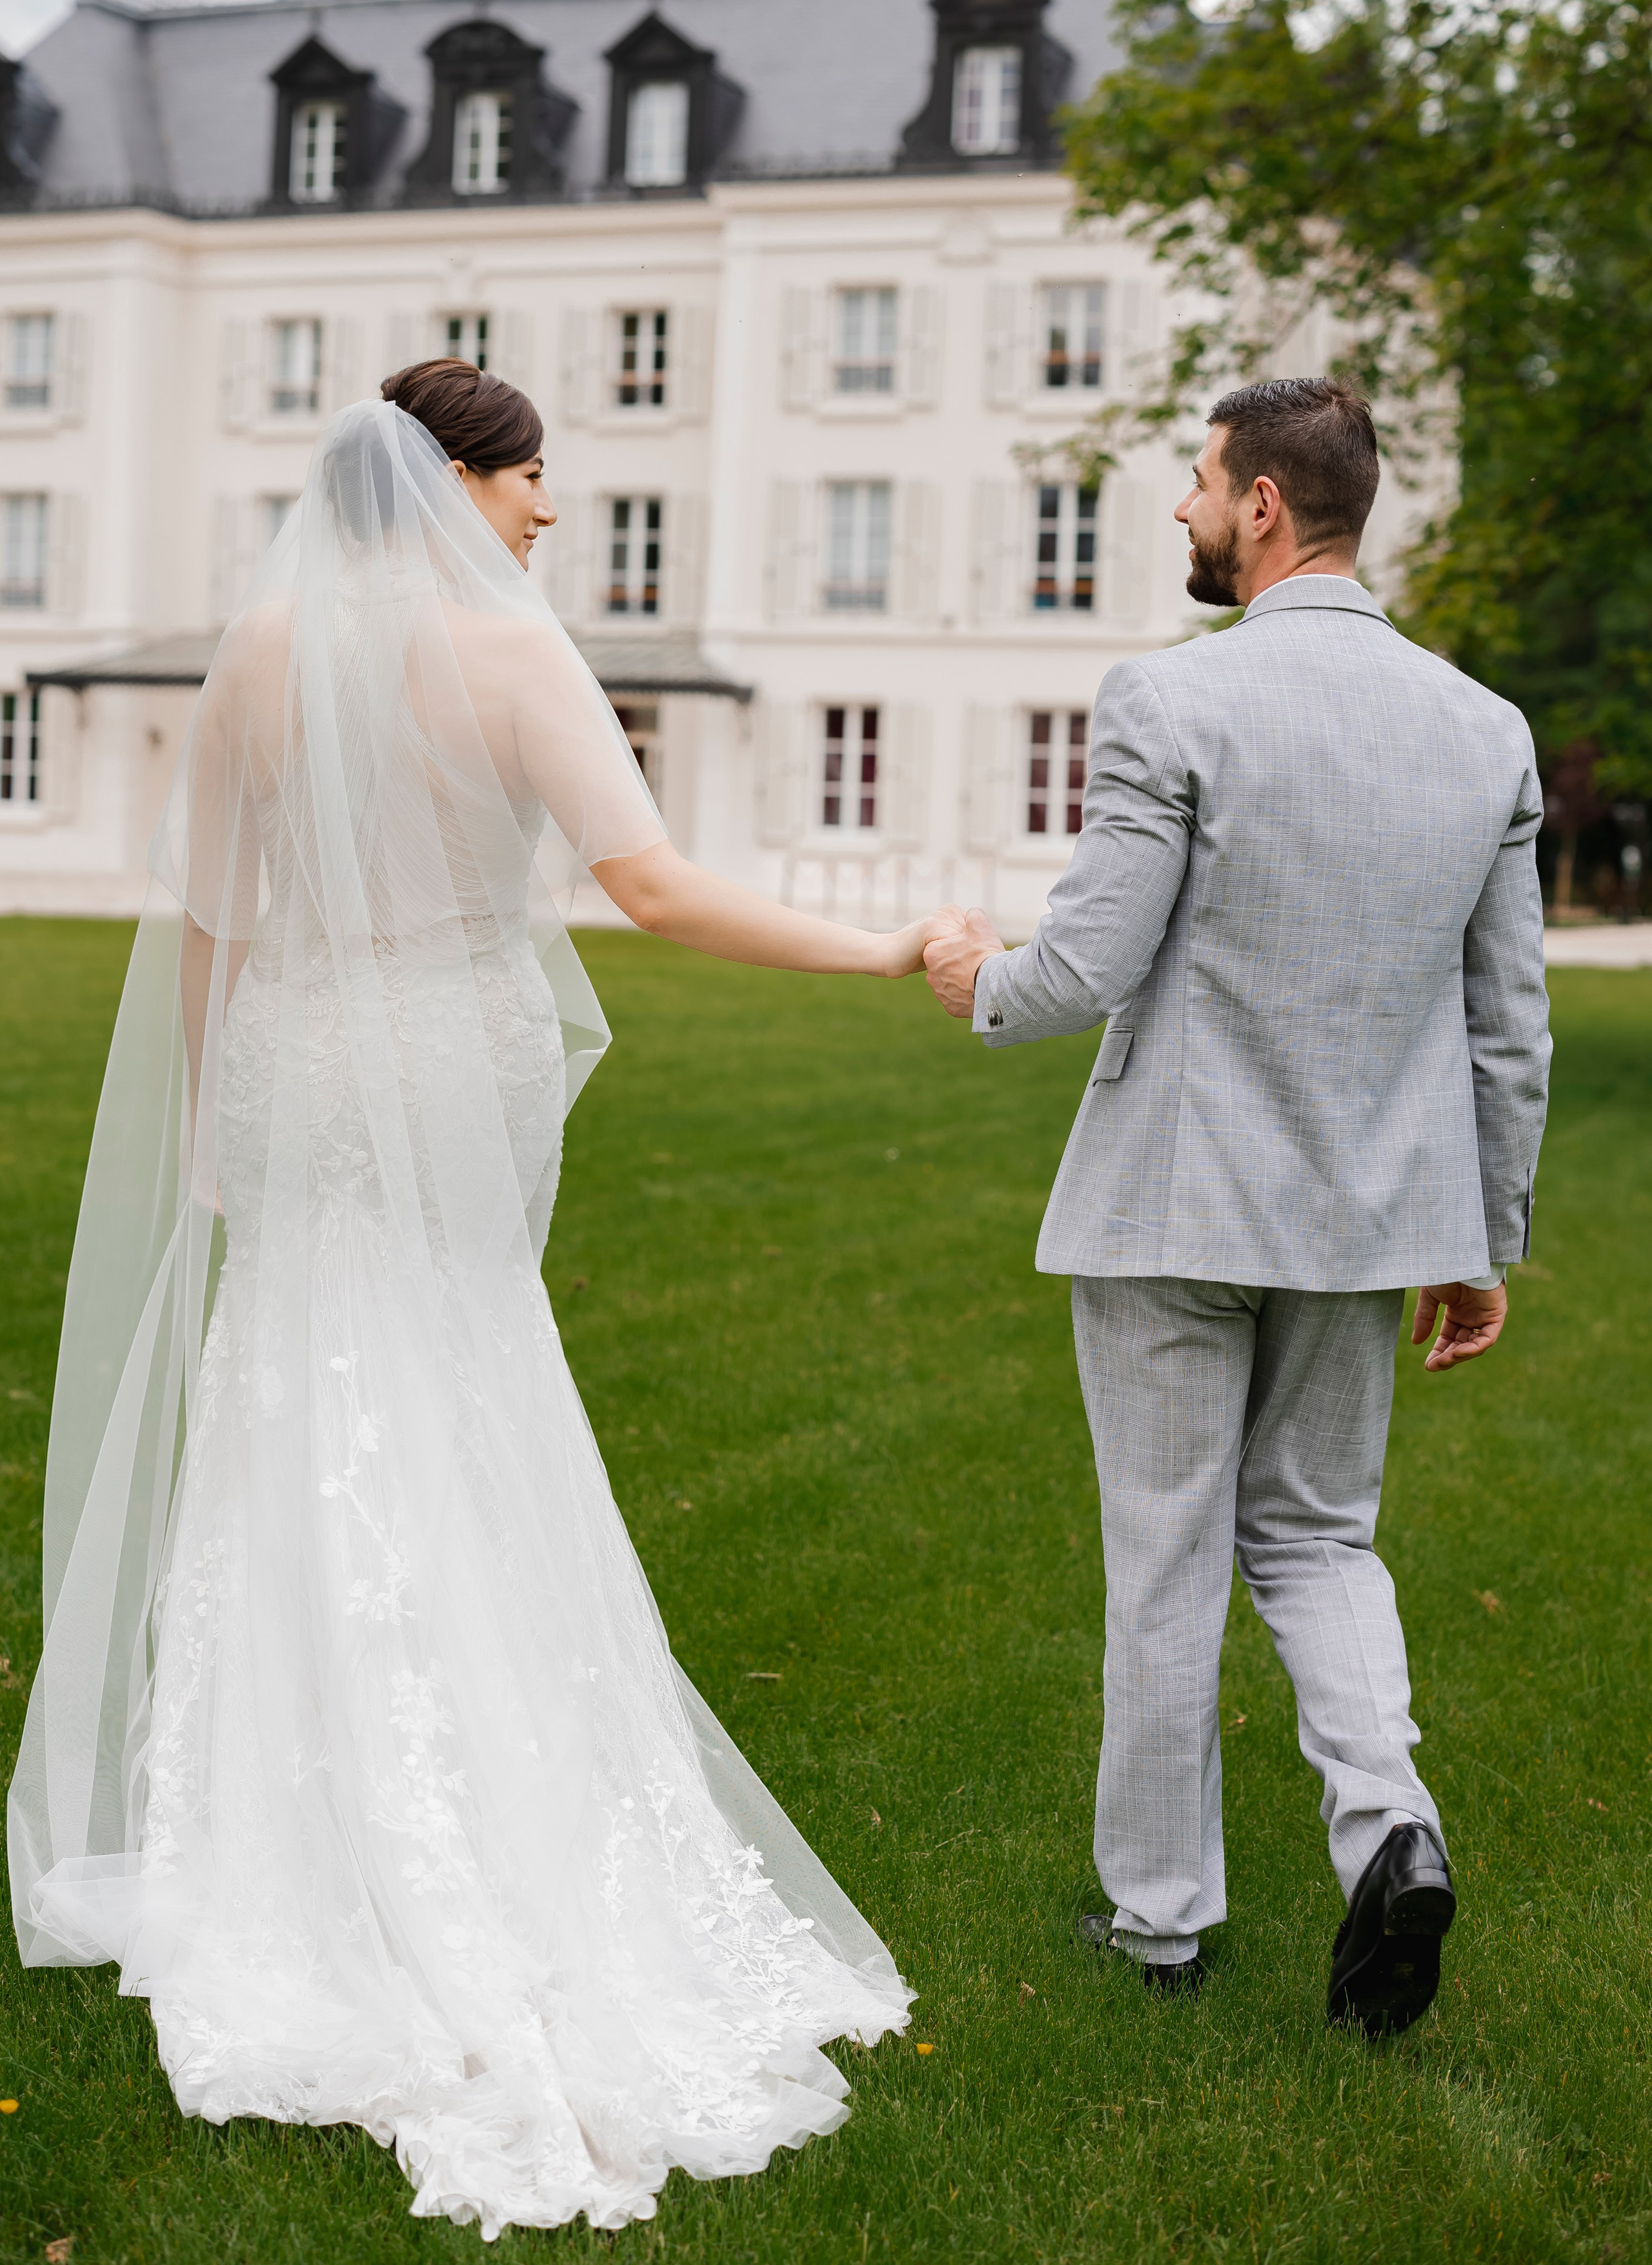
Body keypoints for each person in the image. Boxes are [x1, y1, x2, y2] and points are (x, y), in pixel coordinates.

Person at [8, 363, 922, 2238]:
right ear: (453, 485)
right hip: (431, 1059)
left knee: (293, 1398)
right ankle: (476, 1831)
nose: (550, 512)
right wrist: (878, 941)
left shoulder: (259, 655)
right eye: (527, 479)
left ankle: (284, 1834)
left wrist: (207, 1121)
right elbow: (652, 891)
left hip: (292, 1062)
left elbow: (212, 920)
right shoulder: (513, 660)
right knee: (456, 1381)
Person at [922, 377, 1550, 2036]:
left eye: (1199, 486)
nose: (1185, 514)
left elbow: (1082, 966)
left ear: (1264, 502)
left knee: (1167, 1556)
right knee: (1321, 1538)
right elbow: (1507, 1021)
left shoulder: (1167, 699)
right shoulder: (1482, 726)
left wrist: (970, 972)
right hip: (1368, 1223)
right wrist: (1484, 1236)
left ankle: (1159, 1925)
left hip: (1172, 1218)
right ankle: (1388, 1827)